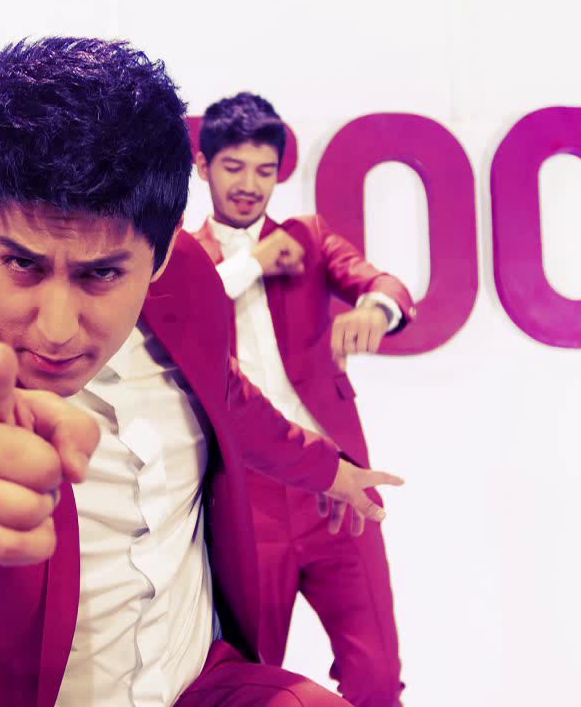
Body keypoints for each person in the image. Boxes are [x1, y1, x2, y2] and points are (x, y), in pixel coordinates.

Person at [0, 38, 403, 706]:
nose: (56, 327)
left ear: (161, 252)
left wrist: (330, 470)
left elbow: (231, 398)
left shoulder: (190, 285)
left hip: (204, 687)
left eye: (101, 273)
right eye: (22, 264)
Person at [191, 92, 415, 706]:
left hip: (337, 484)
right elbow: (185, 317)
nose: (249, 185)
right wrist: (253, 263)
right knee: (252, 677)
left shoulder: (308, 237)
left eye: (265, 170)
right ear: (203, 166)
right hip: (246, 496)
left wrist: (376, 308)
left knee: (376, 675)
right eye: (234, 167)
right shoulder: (187, 258)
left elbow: (383, 283)